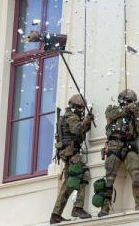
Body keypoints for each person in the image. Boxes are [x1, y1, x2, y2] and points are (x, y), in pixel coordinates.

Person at [98, 89, 139, 217]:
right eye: (130, 101)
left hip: (129, 146)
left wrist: (137, 114)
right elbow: (110, 116)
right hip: (114, 146)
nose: (132, 104)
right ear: (122, 101)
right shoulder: (112, 109)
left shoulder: (133, 114)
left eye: (133, 102)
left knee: (137, 173)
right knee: (109, 180)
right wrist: (125, 109)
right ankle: (104, 208)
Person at [50, 94, 94, 224]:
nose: (81, 110)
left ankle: (56, 214)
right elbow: (76, 129)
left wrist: (87, 122)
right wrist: (86, 121)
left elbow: (81, 131)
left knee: (68, 184)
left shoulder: (69, 116)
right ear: (75, 106)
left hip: (68, 153)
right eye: (80, 108)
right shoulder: (71, 117)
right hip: (71, 153)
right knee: (82, 174)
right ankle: (78, 208)